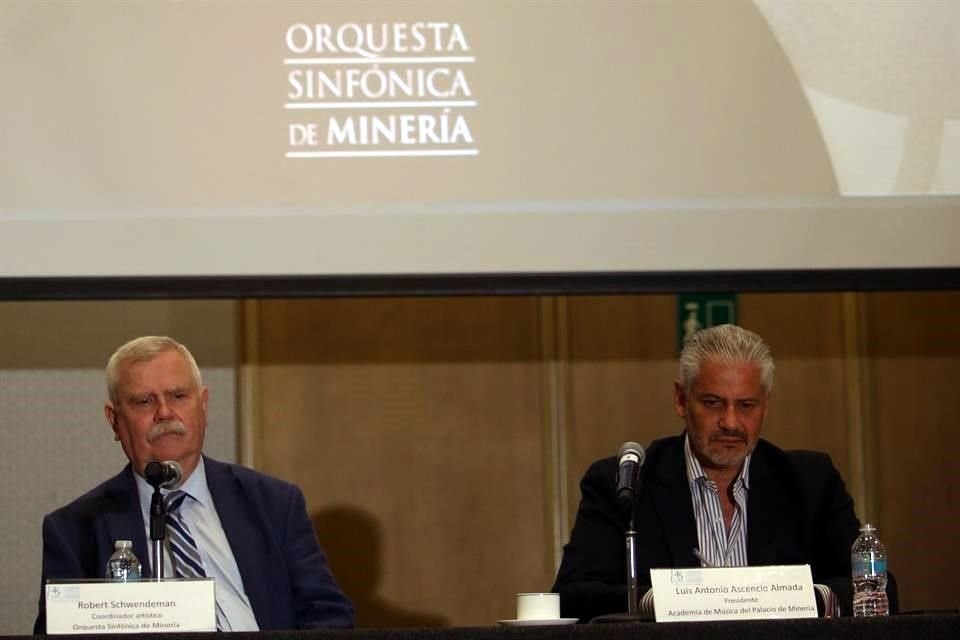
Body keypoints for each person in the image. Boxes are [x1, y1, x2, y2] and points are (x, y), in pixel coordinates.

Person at [552, 324, 898, 621]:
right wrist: (663, 601)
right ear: (680, 400)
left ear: (766, 405)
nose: (730, 422)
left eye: (746, 405)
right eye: (713, 403)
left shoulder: (810, 481)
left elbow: (879, 591)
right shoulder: (624, 483)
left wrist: (794, 597)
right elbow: (571, 597)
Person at [34, 336, 354, 633]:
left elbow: (328, 616)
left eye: (178, 396)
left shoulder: (273, 503)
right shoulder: (75, 530)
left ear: (202, 406)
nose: (164, 412)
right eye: (144, 401)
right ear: (114, 420)